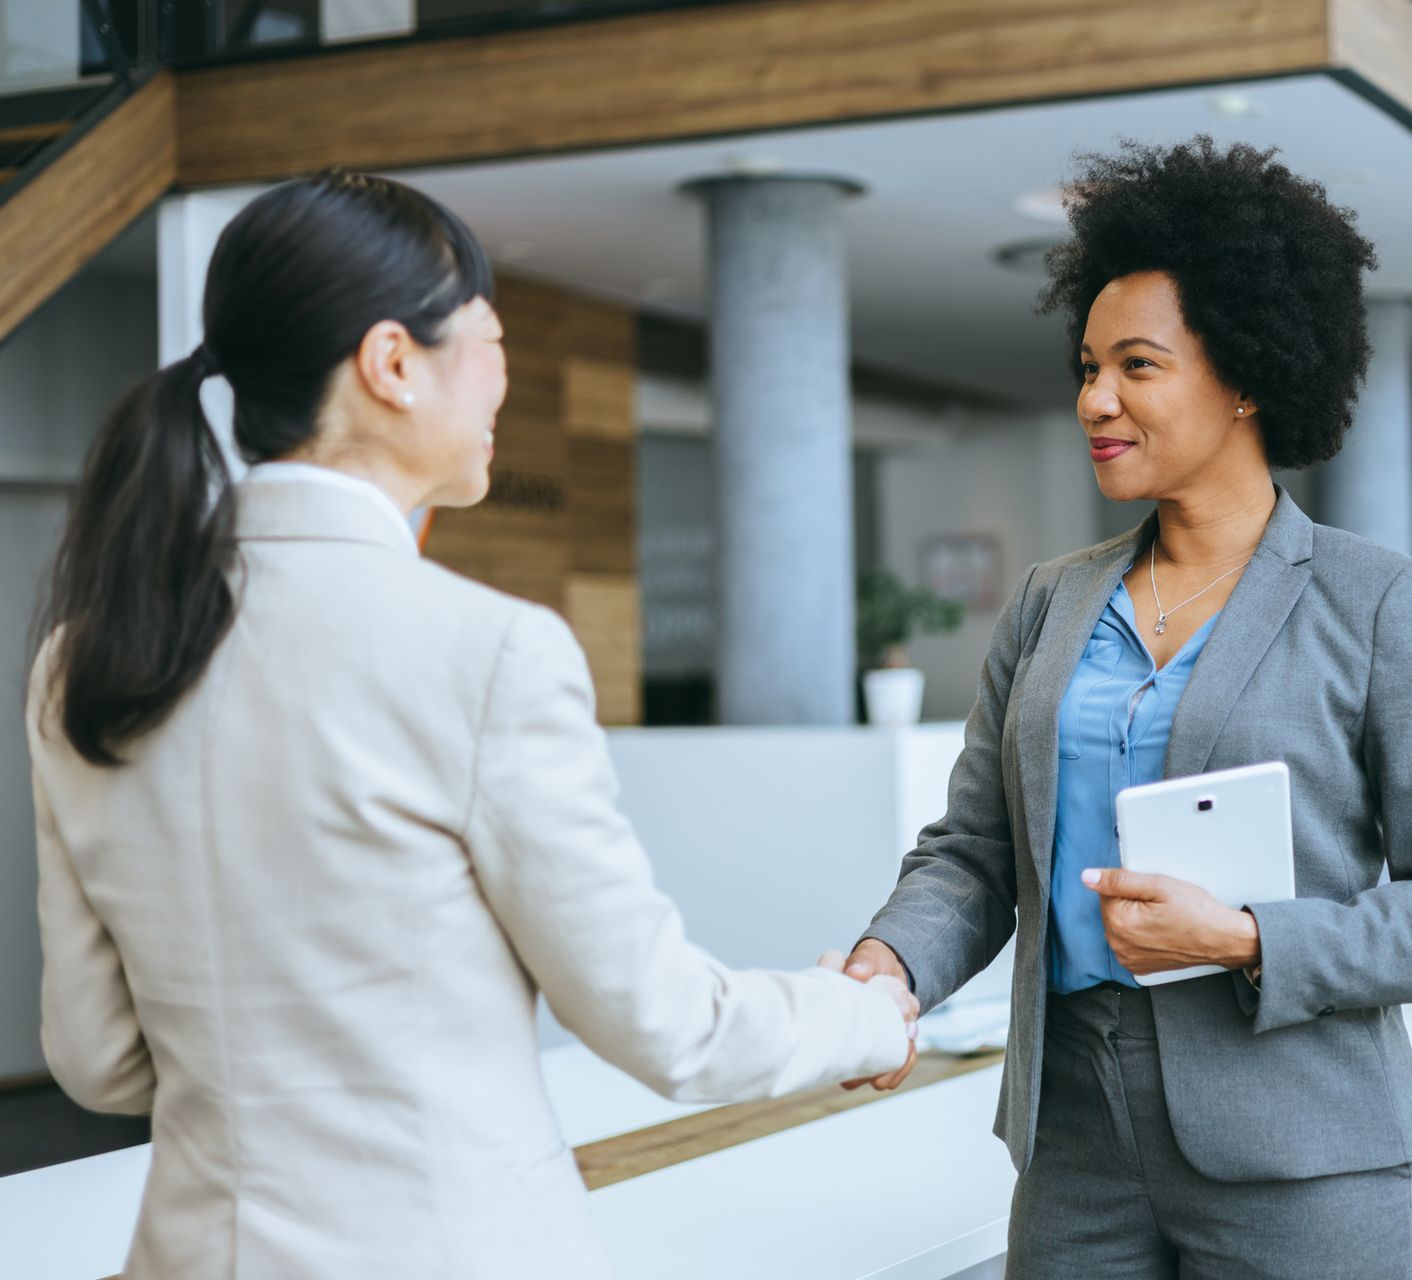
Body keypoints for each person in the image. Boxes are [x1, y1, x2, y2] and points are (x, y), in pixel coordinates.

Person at [26, 172, 915, 1280]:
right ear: (392, 363)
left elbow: (100, 1059)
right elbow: (667, 1023)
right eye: (489, 338)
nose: (505, 374)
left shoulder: (85, 657)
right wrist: (865, 1011)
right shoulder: (487, 648)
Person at [828, 138, 1412, 1278]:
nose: (1094, 398)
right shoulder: (1051, 603)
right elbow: (974, 854)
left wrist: (1250, 938)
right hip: (1075, 1141)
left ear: (1247, 373)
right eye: (1088, 364)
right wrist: (887, 965)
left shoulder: (1378, 602)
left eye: (1138, 365)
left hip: (1302, 1149)